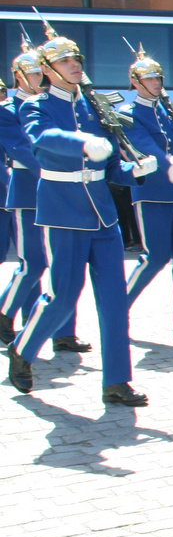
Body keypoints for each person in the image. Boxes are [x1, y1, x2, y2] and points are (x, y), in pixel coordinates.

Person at [7, 22, 158, 405]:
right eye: (65, 59)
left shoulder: (93, 105)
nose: (75, 64)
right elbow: (41, 143)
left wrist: (134, 171)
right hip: (64, 214)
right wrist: (83, 142)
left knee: (112, 300)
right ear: (48, 68)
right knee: (63, 296)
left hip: (102, 214)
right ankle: (23, 348)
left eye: (76, 58)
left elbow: (109, 166)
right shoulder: (36, 105)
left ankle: (116, 382)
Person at [0, 40, 79, 349]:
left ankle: (62, 333)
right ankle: (7, 313)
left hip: (59, 190)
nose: (38, 78)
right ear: (18, 75)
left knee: (64, 266)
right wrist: (55, 171)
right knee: (34, 262)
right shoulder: (7, 110)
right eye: (32, 73)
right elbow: (23, 149)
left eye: (39, 72)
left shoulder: (52, 102)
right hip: (29, 189)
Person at [121, 46, 173, 333]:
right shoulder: (128, 113)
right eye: (150, 79)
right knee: (155, 257)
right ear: (135, 82)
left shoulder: (168, 111)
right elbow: (147, 146)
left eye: (158, 78)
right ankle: (118, 305)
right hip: (152, 193)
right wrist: (170, 164)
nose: (157, 83)